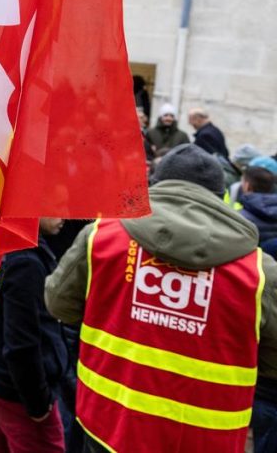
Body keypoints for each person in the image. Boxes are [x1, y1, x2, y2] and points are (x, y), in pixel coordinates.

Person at [45, 144, 277, 452]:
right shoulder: (260, 273)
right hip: (204, 439)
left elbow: (59, 303)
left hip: (109, 424)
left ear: (154, 186)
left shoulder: (102, 237)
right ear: (221, 197)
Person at [0, 218, 68, 453]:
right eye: (58, 201)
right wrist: (40, 406)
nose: (65, 215)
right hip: (20, 394)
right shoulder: (26, 263)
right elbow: (21, 346)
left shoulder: (5, 240)